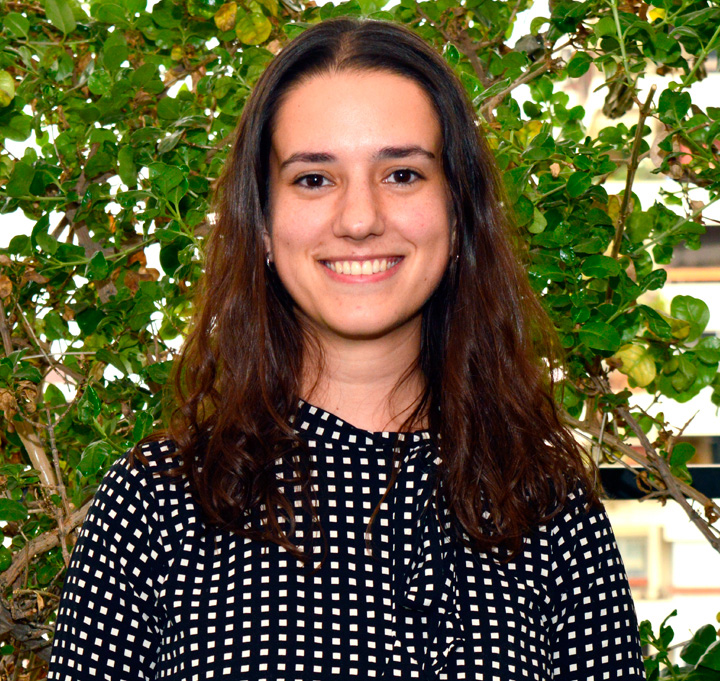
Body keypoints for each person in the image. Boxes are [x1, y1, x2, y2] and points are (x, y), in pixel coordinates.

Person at [47, 16, 646, 681]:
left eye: (402, 174)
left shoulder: (549, 509)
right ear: (262, 222)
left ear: (457, 213)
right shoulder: (153, 506)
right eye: (314, 179)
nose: (360, 220)